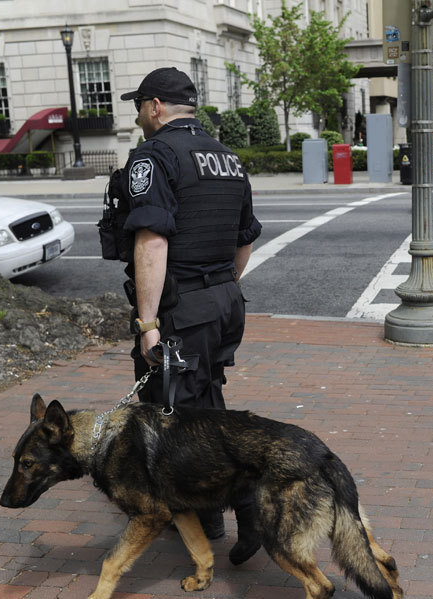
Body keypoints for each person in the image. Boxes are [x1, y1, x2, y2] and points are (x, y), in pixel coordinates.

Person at [115, 67, 263, 560]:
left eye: (139, 105)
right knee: (204, 401)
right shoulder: (226, 157)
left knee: (184, 417)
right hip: (223, 302)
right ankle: (218, 516)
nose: (138, 115)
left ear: (155, 106)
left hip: (184, 310)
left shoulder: (154, 157)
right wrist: (223, 288)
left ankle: (243, 508)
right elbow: (245, 239)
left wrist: (149, 324)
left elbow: (152, 242)